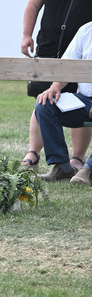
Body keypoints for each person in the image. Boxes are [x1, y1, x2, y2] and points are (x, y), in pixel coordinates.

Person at [20, 0, 92, 171]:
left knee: (77, 100)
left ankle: (77, 158)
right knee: (43, 97)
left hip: (80, 50)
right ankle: (33, 152)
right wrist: (27, 34)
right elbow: (33, 4)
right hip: (49, 45)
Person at [33, 20, 92, 182]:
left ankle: (88, 170)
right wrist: (54, 88)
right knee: (45, 104)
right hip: (86, 100)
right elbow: (67, 65)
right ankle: (62, 167)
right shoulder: (86, 30)